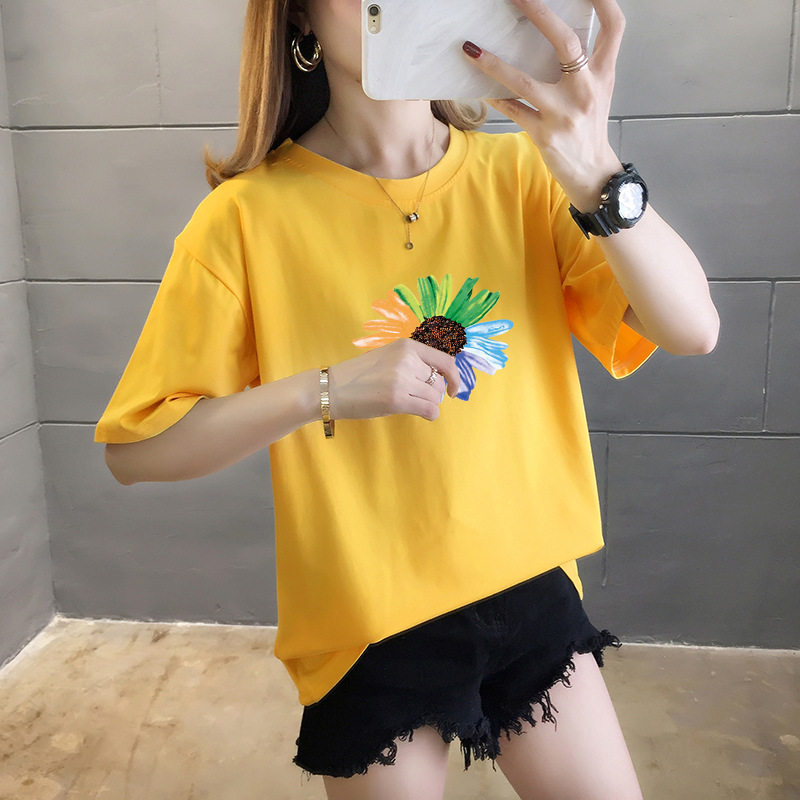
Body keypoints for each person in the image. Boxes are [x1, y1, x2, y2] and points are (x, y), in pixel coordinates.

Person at [95, 0, 719, 797]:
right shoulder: (244, 218)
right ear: (299, 19)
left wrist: (595, 166)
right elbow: (136, 450)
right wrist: (323, 390)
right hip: (368, 625)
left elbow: (693, 328)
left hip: (529, 589)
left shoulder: (526, 173)